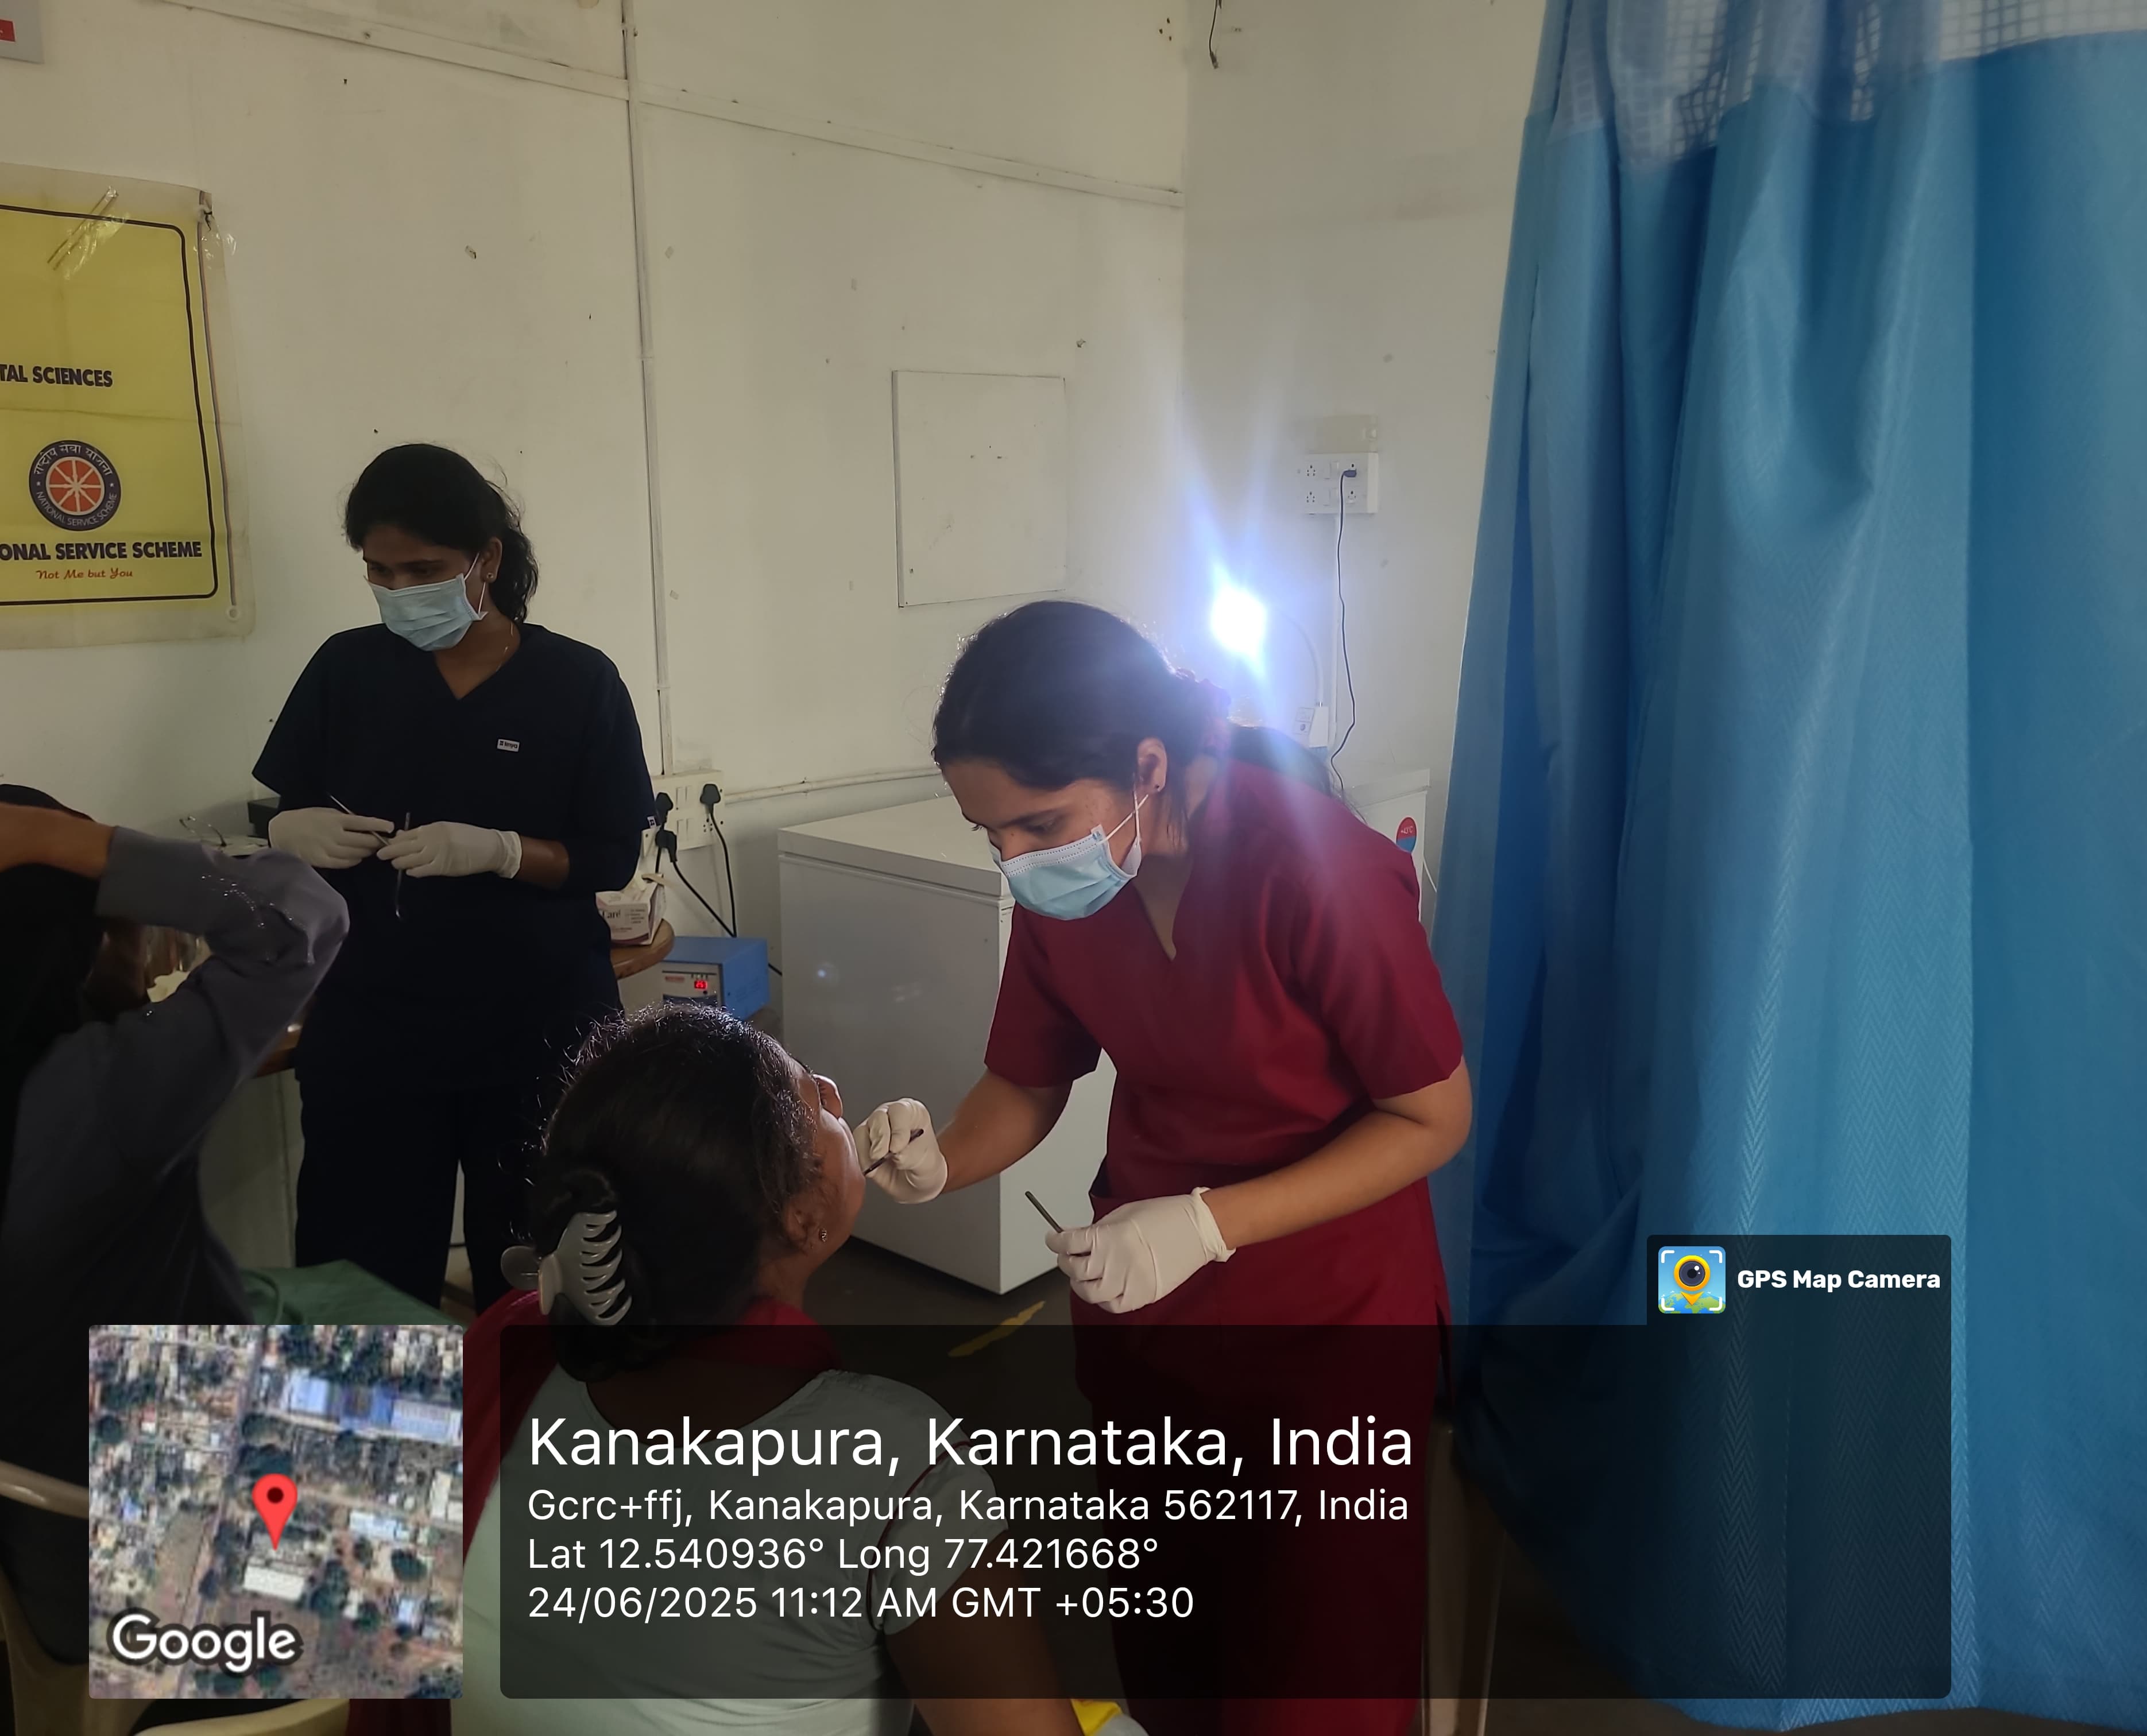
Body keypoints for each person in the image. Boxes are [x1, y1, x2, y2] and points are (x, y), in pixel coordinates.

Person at [857, 600, 1473, 1736]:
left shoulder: (1317, 871)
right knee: (1173, 1634)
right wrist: (943, 1160)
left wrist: (1208, 1222)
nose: (1017, 861)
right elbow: (1027, 1081)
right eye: (989, 834)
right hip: (1150, 1313)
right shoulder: (1078, 887)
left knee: (1315, 1662)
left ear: (1148, 764)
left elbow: (1432, 1116)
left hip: (1326, 1320)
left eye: (1038, 823)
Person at [446, 1002, 1078, 1736]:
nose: (836, 1093)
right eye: (816, 1099)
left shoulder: (503, 1341)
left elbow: (364, 1630)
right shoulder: (897, 1465)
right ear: (802, 1217)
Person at [0, 786, 346, 1670]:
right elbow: (302, 918)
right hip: (139, 1564)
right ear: (76, 941)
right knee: (490, 1462)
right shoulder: (97, 1097)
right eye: (119, 920)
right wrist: (49, 839)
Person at [254, 444, 653, 1311]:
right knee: (358, 1279)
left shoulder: (577, 683)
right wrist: (289, 829)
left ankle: (536, 1403)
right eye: (380, 572)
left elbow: (608, 855)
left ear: (488, 560)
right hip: (374, 1027)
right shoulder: (346, 671)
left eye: (425, 570)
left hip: (538, 1028)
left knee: (546, 1272)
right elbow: (287, 806)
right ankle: (367, 1405)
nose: (400, 591)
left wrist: (502, 850)